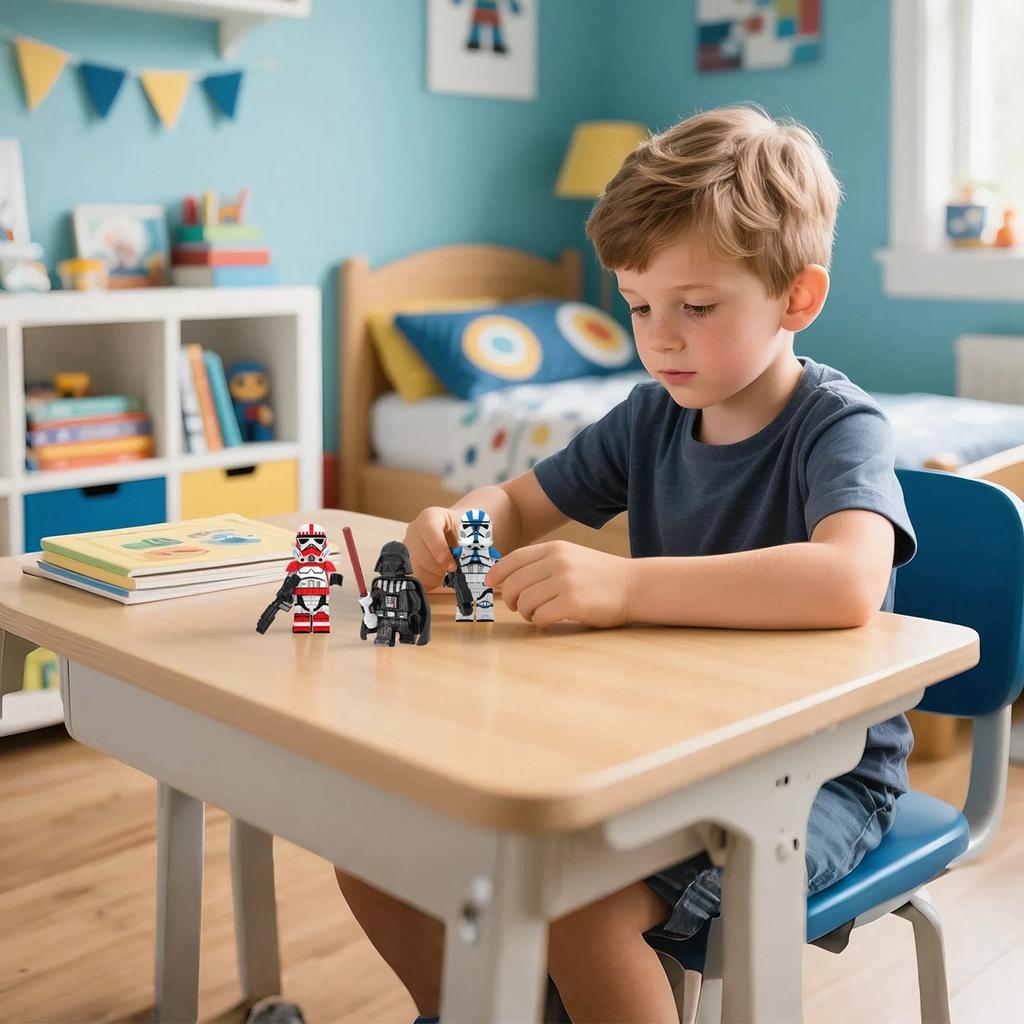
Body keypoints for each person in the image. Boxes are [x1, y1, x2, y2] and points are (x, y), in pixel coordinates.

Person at [335, 104, 916, 1023]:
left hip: (815, 775)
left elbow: (847, 583)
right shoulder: (651, 416)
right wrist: (458, 522)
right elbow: (521, 504)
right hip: (664, 748)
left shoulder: (838, 428)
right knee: (375, 851)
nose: (661, 339)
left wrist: (623, 584)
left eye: (696, 307)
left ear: (796, 299)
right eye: (639, 307)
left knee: (580, 905)